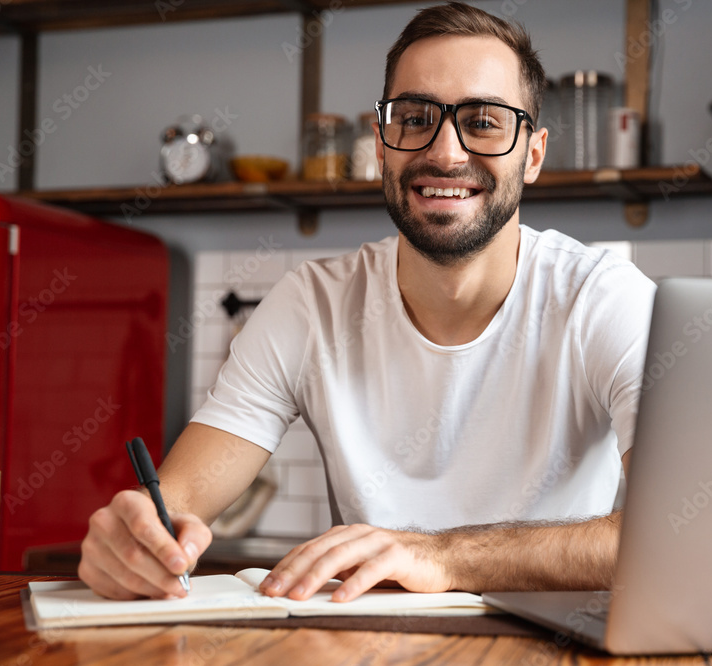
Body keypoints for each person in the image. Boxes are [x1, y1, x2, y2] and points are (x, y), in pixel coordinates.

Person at [79, 1, 656, 603]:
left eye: (483, 122)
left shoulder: (603, 299)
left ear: (532, 155)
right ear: (381, 145)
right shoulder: (310, 305)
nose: (447, 153)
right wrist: (136, 539)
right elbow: (177, 504)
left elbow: (673, 530)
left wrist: (440, 556)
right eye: (414, 117)